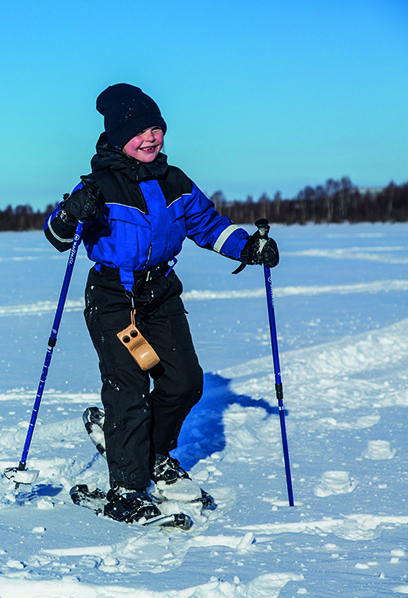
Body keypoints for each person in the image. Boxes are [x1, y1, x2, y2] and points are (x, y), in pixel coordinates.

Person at [44, 83, 279, 524]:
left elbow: (208, 225)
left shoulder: (176, 181)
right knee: (129, 387)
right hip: (113, 296)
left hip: (161, 293)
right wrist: (72, 212)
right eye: (139, 132)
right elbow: (58, 237)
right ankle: (128, 487)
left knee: (185, 382)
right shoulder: (97, 186)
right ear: (118, 137)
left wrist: (248, 247)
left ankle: (153, 452)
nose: (150, 138)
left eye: (157, 128)